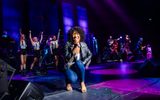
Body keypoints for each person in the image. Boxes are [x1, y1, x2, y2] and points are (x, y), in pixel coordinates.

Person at [64, 26, 92, 93]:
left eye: (77, 34)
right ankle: (68, 82)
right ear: (71, 36)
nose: (76, 36)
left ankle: (82, 83)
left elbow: (90, 54)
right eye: (74, 35)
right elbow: (66, 57)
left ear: (80, 35)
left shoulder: (84, 44)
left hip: (79, 65)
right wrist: (74, 49)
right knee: (73, 79)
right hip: (70, 66)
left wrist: (84, 63)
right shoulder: (68, 44)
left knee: (79, 62)